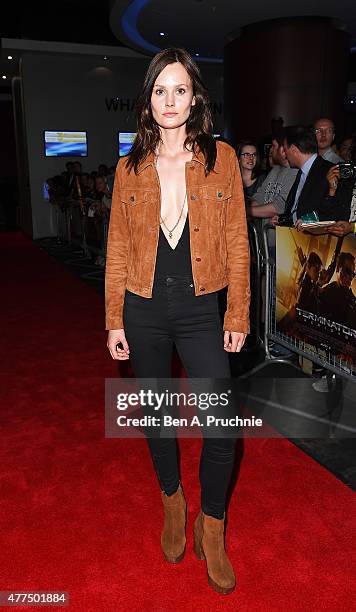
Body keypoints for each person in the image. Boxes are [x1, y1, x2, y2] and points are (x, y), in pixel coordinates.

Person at [105, 48, 250, 595]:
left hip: (199, 308)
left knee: (223, 428)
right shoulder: (129, 166)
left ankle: (212, 525)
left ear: (195, 97)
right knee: (157, 417)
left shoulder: (222, 159)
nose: (170, 100)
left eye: (180, 89)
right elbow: (117, 243)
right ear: (148, 98)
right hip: (142, 307)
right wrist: (113, 318)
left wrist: (237, 311)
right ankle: (172, 501)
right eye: (160, 90)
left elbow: (237, 239)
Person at [280, 125, 333, 224]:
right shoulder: (302, 171)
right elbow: (296, 208)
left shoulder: (329, 172)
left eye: (285, 150)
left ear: (293, 149)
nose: (284, 155)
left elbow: (330, 210)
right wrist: (283, 219)